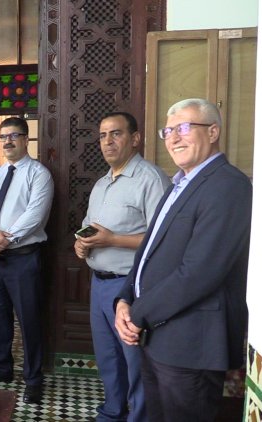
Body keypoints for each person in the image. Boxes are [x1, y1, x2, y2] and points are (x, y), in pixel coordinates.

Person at [114, 99, 252, 421]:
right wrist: (124, 298)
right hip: (158, 337)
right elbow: (148, 253)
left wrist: (137, 313)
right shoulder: (179, 184)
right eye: (168, 131)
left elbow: (199, 273)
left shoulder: (227, 185)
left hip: (191, 343)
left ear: (213, 132)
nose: (174, 137)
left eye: (185, 127)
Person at [74, 112, 170, 422]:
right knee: (108, 357)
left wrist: (113, 239)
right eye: (103, 135)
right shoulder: (102, 183)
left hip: (131, 287)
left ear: (135, 138)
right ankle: (112, 412)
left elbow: (164, 240)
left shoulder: (150, 179)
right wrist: (82, 244)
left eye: (116, 133)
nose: (108, 141)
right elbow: (89, 228)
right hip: (99, 283)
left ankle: (138, 417)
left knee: (135, 360)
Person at [0, 117, 54, 404]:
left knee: (29, 320)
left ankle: (33, 379)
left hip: (23, 259)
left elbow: (35, 216)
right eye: (3, 136)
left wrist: (3, 241)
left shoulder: (39, 174)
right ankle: (2, 368)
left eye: (13, 135)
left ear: (26, 139)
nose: (7, 141)